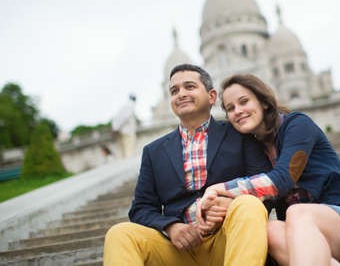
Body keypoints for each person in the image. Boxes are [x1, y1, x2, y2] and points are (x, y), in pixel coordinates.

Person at [195, 74, 340, 266]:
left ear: (263, 102)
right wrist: (222, 206)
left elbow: (281, 179)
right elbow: (260, 202)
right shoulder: (254, 150)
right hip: (305, 240)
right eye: (230, 108)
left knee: (298, 212)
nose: (238, 111)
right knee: (269, 230)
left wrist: (217, 189)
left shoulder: (298, 124)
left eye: (244, 102)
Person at [103, 65, 272, 266]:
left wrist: (232, 203)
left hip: (228, 240)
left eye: (189, 87)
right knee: (120, 234)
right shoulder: (153, 152)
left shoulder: (240, 135)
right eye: (174, 91)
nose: (181, 94)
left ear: (211, 96)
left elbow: (267, 186)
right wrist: (171, 227)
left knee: (249, 203)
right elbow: (141, 208)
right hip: (178, 251)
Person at [112, 94, 137, 158]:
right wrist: (116, 128)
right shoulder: (130, 105)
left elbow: (116, 118)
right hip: (128, 131)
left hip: (122, 130)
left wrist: (115, 128)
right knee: (129, 150)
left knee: (124, 150)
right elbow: (125, 118)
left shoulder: (125, 106)